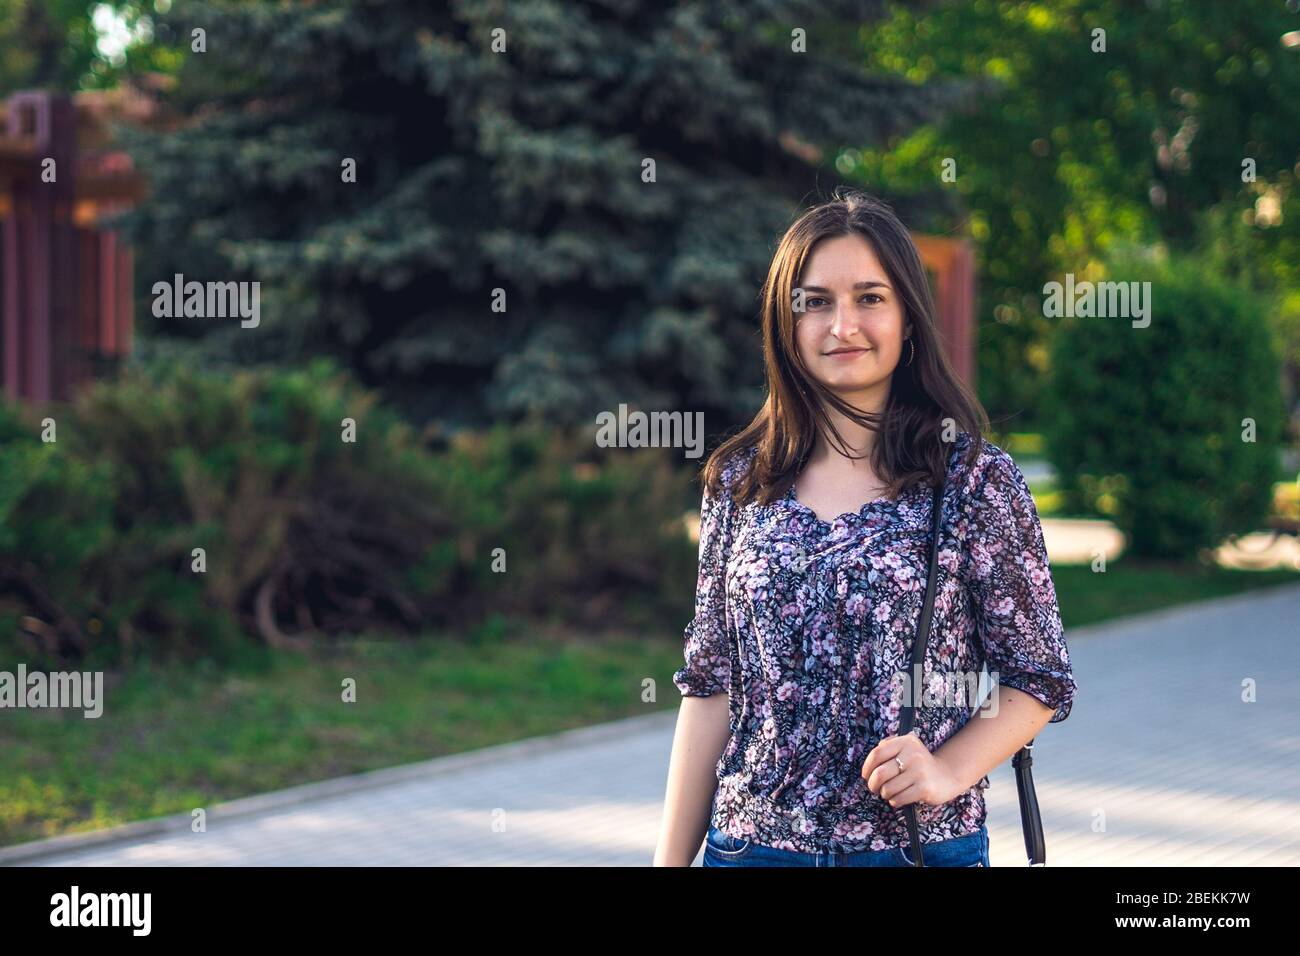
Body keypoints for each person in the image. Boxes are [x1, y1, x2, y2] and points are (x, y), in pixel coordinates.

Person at [653, 188, 1077, 867]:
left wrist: (948, 769)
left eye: (870, 298)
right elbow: (709, 687)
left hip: (915, 849)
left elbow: (1037, 676)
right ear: (784, 323)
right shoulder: (741, 482)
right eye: (815, 301)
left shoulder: (972, 481)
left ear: (909, 317)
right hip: (751, 850)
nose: (841, 325)